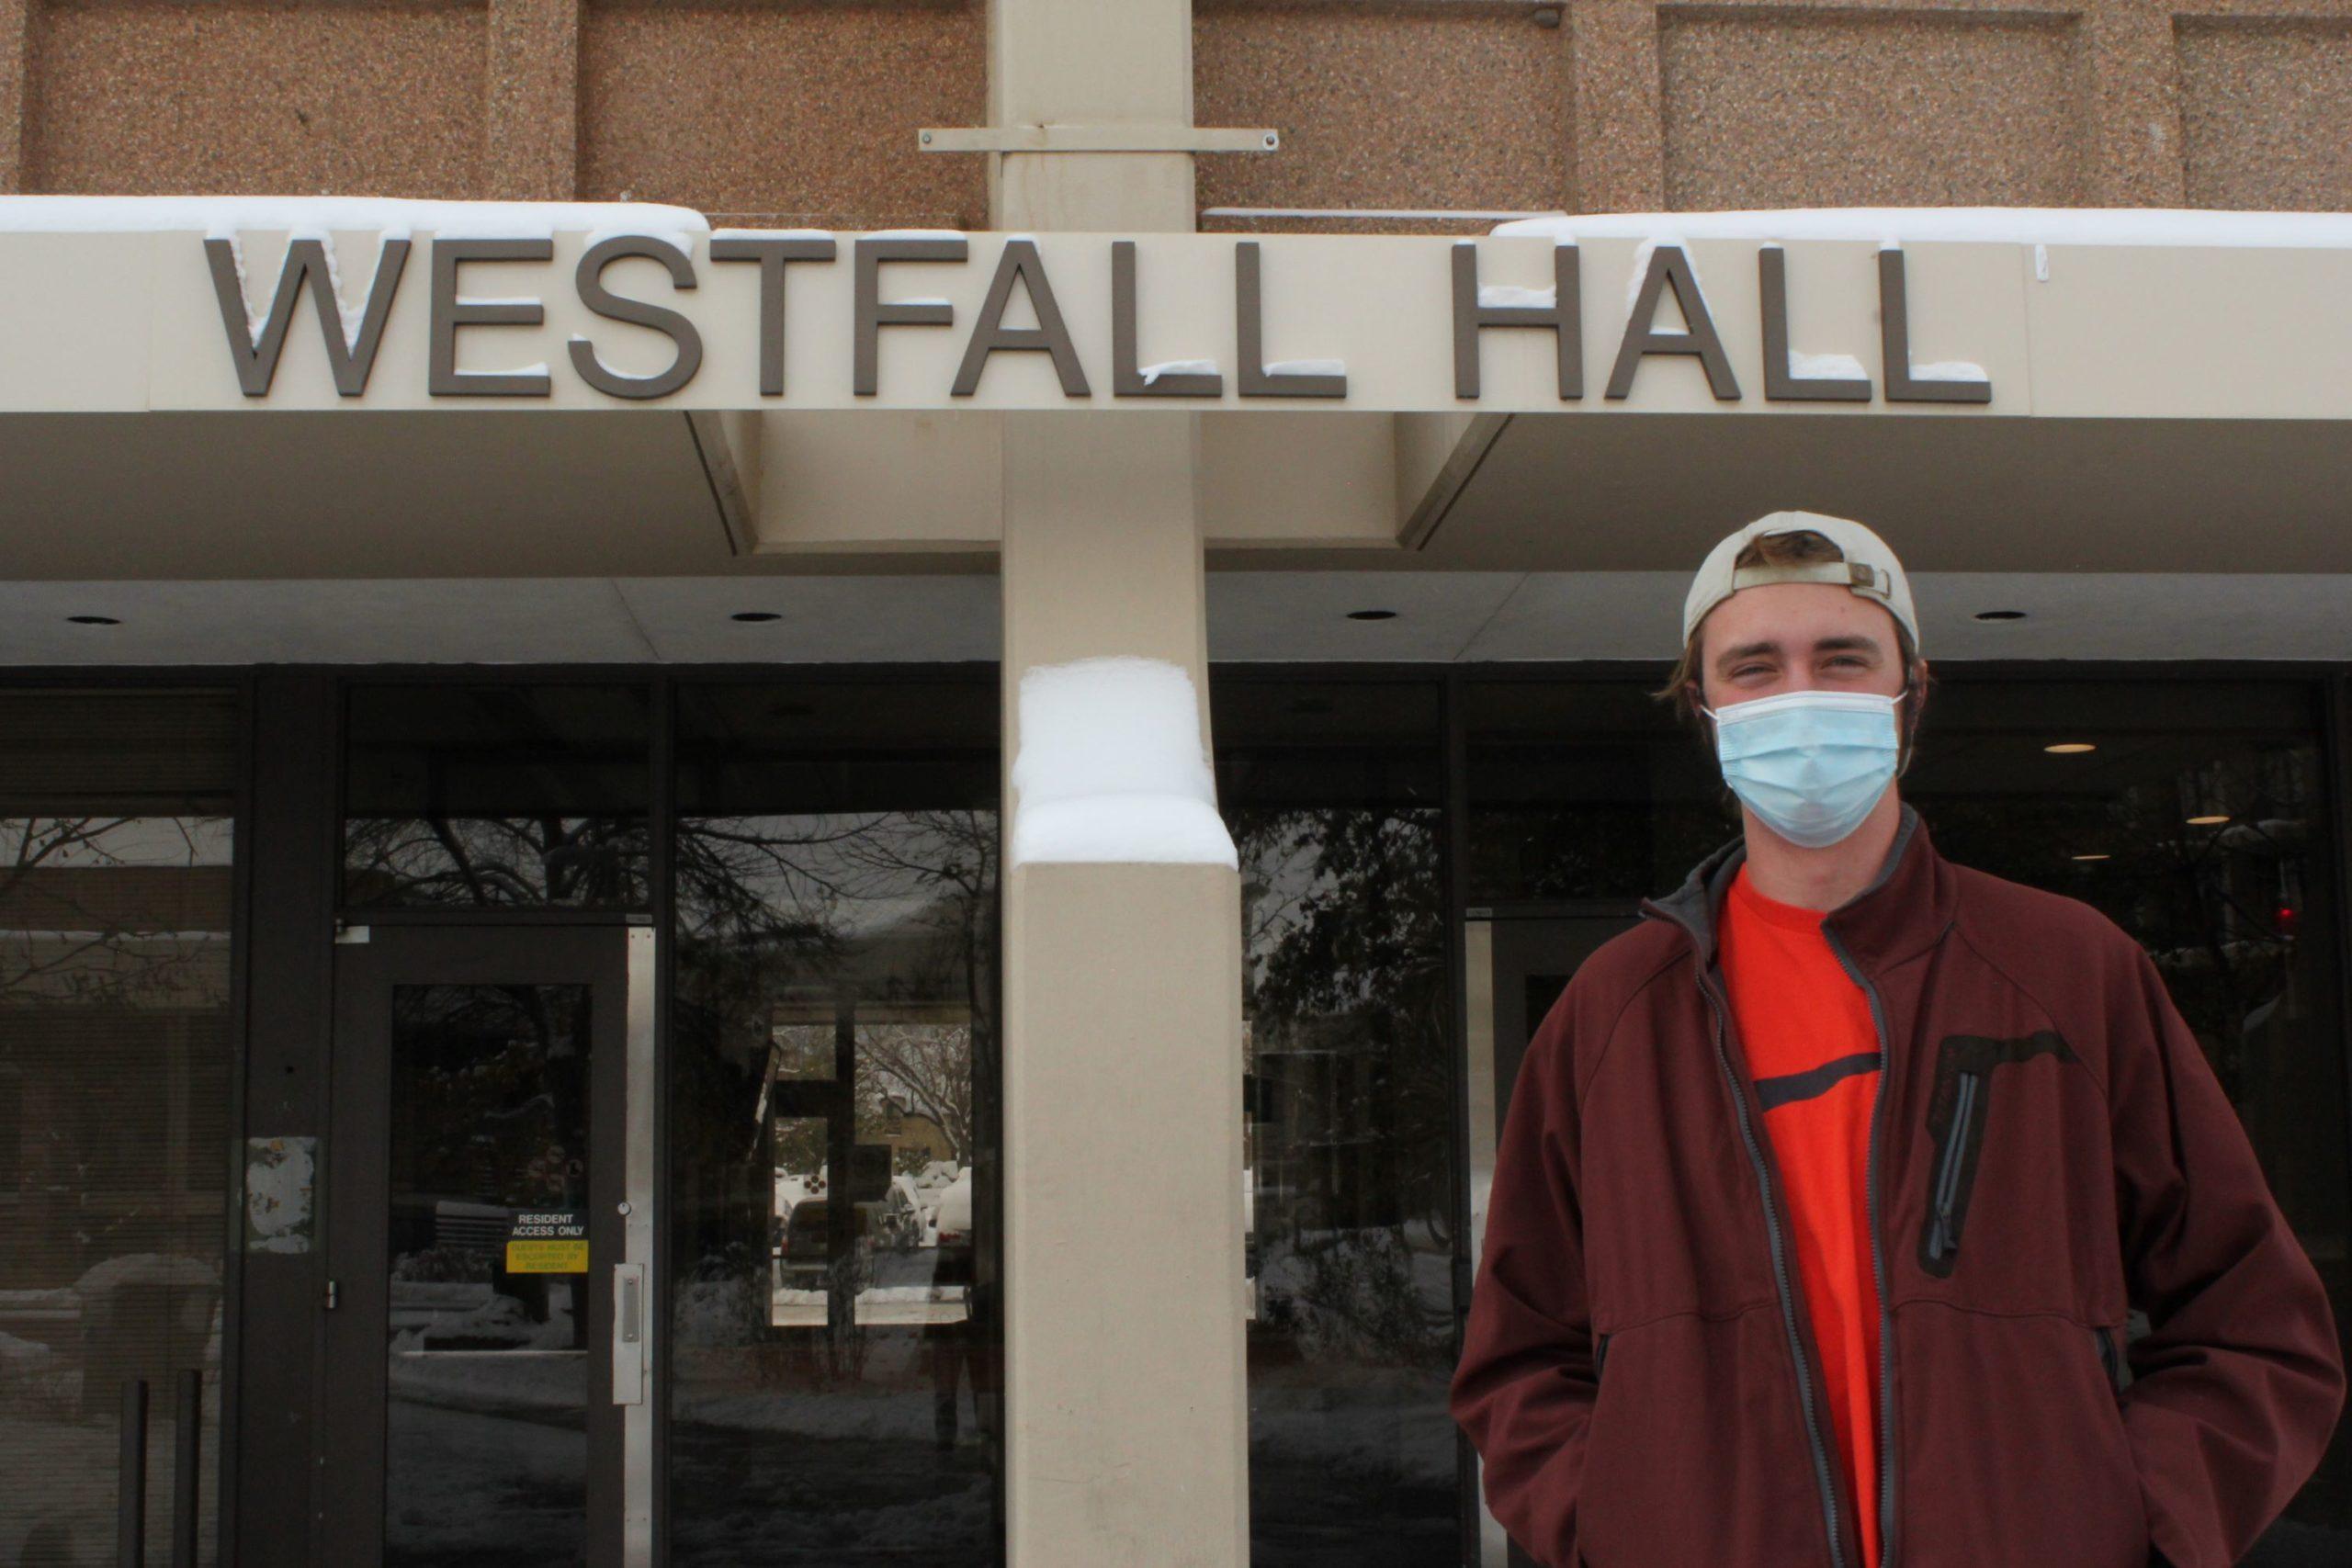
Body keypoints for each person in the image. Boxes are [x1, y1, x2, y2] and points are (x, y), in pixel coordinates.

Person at [1448, 511, 2346, 1568]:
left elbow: (2254, 1325)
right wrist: (1614, 1520)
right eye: (1754, 668)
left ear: (1911, 692)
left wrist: (2136, 1522)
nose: (1803, 698)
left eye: (1842, 659)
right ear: (1704, 709)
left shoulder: (2067, 972)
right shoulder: (1611, 1013)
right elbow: (1517, 1361)